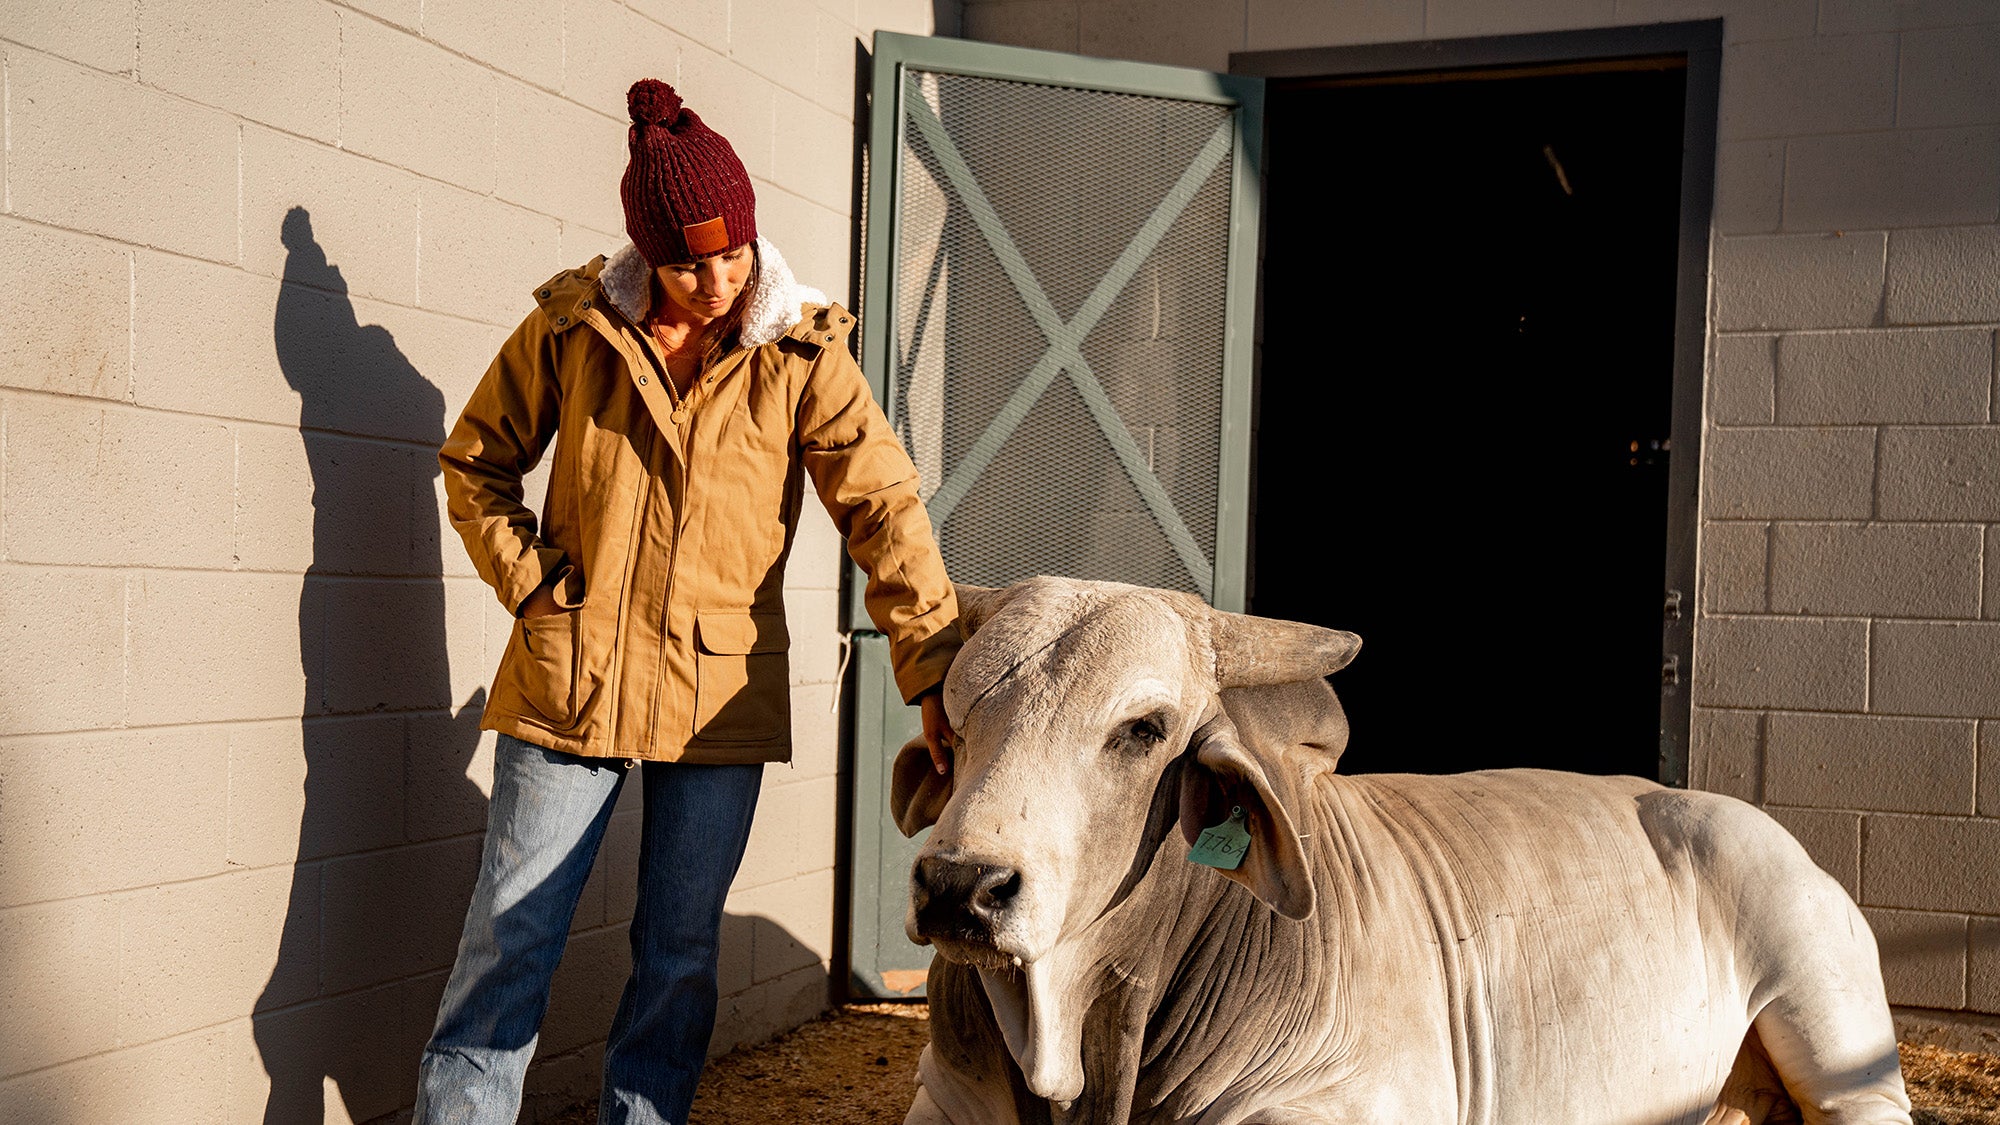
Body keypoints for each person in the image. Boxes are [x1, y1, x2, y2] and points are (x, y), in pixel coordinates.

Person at [416, 78, 959, 1125]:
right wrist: (531, 582)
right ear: (644, 254)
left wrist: (928, 661)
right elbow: (473, 462)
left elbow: (882, 507)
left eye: (728, 253)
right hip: (568, 685)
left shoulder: (803, 355)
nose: (712, 281)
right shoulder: (575, 330)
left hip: (716, 703)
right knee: (509, 942)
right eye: (682, 261)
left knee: (677, 957)